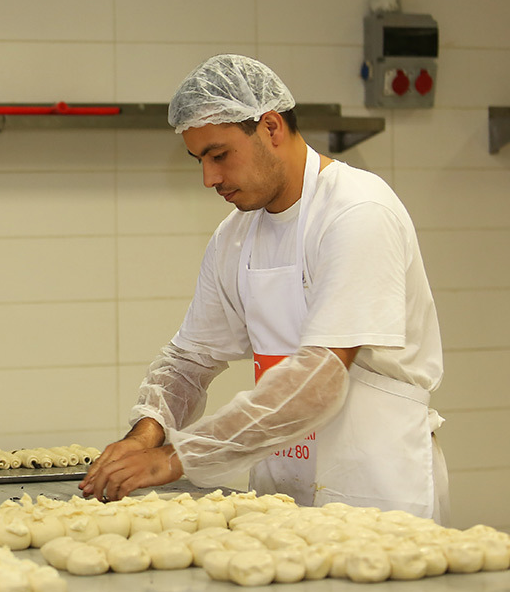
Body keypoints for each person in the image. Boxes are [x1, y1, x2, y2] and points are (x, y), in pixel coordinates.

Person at [79, 54, 448, 522]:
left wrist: (177, 458)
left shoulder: (356, 213)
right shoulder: (235, 236)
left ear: (271, 127)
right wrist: (144, 436)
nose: (209, 178)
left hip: (374, 490)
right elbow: (189, 362)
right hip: (282, 494)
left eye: (219, 155)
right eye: (200, 161)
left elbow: (320, 378)